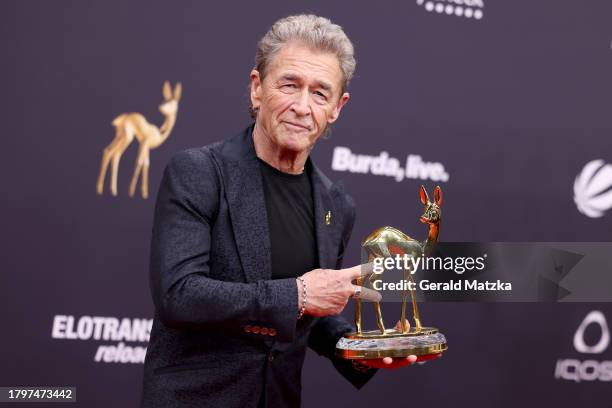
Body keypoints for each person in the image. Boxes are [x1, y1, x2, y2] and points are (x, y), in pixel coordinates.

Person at [141, 14, 417, 408]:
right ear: (257, 89)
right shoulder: (200, 172)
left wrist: (361, 349)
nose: (302, 106)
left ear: (337, 108)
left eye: (320, 93)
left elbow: (311, 317)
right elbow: (179, 295)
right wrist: (299, 293)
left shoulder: (336, 204)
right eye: (290, 85)